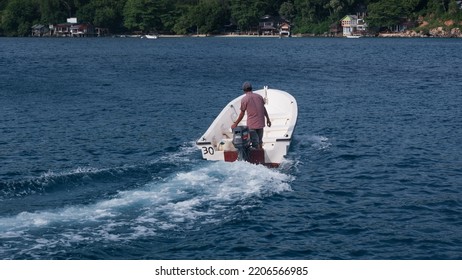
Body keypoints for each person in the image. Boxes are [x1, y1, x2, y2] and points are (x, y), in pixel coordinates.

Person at [231, 82, 271, 149]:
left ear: (244, 90)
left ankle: (256, 157)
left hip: (252, 125)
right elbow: (263, 109)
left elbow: (242, 114)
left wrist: (236, 123)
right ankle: (260, 153)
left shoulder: (244, 99)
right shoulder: (259, 97)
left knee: (255, 143)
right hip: (261, 123)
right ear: (251, 88)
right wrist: (268, 119)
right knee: (260, 141)